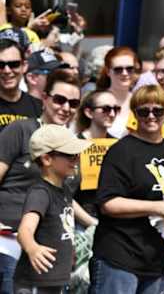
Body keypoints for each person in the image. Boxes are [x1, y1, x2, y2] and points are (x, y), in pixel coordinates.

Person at [88, 85, 164, 294]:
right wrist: (155, 207)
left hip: (155, 261)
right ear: (135, 114)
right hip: (118, 256)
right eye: (143, 111)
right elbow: (107, 203)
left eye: (158, 111)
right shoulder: (121, 150)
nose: (151, 116)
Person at [0, 70, 83, 294]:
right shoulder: (21, 130)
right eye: (60, 99)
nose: (66, 107)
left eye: (74, 103)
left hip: (51, 248)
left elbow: (62, 196)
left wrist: (91, 223)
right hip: (11, 240)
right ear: (44, 98)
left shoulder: (73, 147)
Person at [13, 124, 91, 294]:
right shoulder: (40, 192)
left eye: (77, 155)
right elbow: (24, 230)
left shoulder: (64, 191)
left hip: (55, 280)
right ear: (47, 159)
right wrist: (32, 248)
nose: (76, 159)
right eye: (70, 156)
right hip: (35, 281)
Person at [96, 46, 140, 138]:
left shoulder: (141, 101)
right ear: (108, 71)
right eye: (118, 69)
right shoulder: (96, 101)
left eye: (129, 69)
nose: (124, 73)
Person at [0, 38, 41, 132]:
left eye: (14, 64)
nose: (7, 71)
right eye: (0, 65)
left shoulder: (39, 107)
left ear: (24, 66)